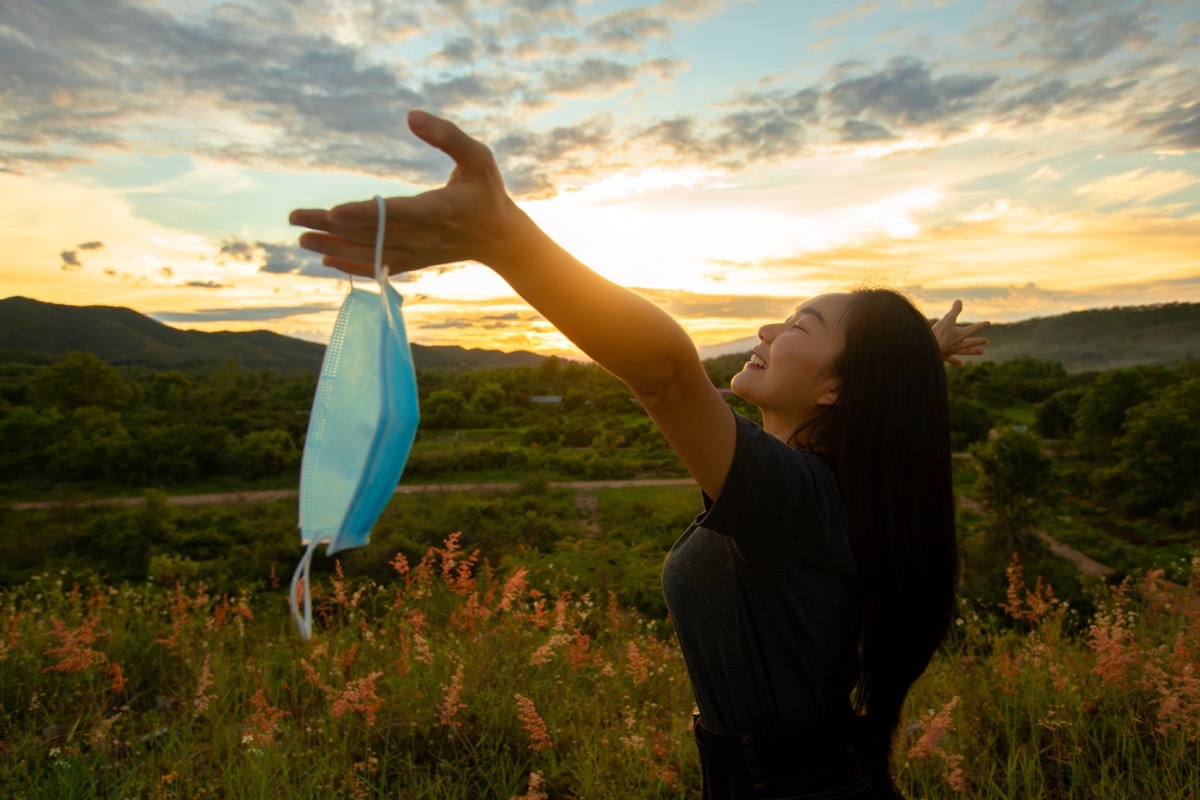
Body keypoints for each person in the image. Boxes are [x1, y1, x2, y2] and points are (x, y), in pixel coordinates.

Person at [290, 110, 990, 800]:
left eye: (800, 323)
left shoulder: (801, 500)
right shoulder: (830, 491)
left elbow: (666, 374)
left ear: (842, 388)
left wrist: (503, 236)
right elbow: (851, 394)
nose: (768, 327)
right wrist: (922, 354)